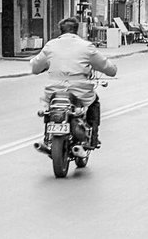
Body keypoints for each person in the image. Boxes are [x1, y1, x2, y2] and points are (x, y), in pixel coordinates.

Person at [31, 18, 118, 149]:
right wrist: (112, 69)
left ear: (60, 30)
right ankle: (93, 138)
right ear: (76, 30)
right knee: (94, 103)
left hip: (54, 91)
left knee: (50, 109)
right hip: (80, 91)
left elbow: (35, 67)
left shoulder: (50, 45)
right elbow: (108, 68)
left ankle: (47, 136)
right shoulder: (86, 46)